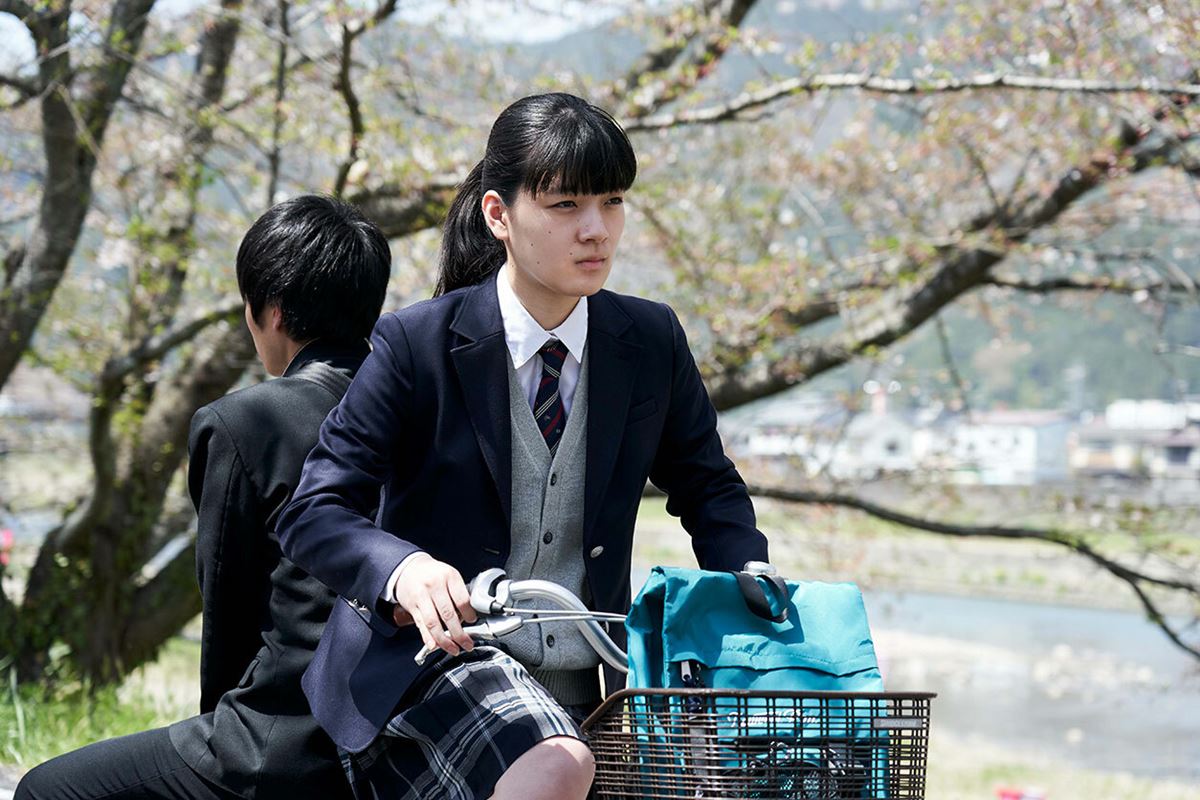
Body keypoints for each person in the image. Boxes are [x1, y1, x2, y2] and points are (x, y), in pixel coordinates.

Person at [277, 92, 769, 800]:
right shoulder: (417, 343)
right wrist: (403, 569)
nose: (596, 230)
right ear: (498, 215)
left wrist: (748, 571)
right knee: (558, 763)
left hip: (596, 682)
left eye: (613, 202)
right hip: (436, 668)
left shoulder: (650, 340)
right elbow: (314, 510)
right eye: (566, 205)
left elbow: (709, 485)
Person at [15, 195, 392, 800]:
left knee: (45, 789)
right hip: (396, 742)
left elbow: (228, 611)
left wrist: (222, 736)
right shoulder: (421, 413)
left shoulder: (246, 422)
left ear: (270, 311)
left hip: (279, 742)